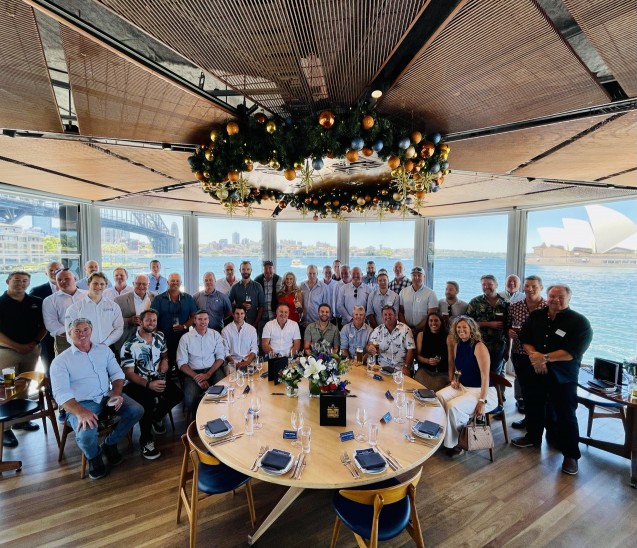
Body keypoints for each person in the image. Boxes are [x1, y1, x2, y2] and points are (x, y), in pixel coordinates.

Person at [50, 318, 144, 480]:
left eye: (85, 329)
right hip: (80, 403)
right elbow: (61, 393)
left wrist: (116, 393)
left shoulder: (104, 350)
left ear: (91, 332)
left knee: (136, 410)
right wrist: (80, 412)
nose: (82, 334)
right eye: (77, 331)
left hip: (106, 396)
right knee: (86, 435)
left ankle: (109, 443)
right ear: (69, 334)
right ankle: (94, 456)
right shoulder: (61, 361)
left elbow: (117, 374)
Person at [516, 285, 593, 476]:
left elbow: (572, 352)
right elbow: (524, 337)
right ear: (547, 297)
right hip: (535, 370)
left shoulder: (580, 322)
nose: (555, 299)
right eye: (552, 296)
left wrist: (545, 358)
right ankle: (533, 437)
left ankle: (571, 456)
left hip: (563, 376)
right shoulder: (536, 316)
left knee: (566, 414)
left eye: (560, 297)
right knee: (533, 404)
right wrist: (535, 356)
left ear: (569, 299)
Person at [121, 309, 183, 460]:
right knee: (147, 402)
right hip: (137, 383)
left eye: (154, 320)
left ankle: (156, 417)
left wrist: (165, 361)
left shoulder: (160, 336)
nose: (152, 323)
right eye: (148, 320)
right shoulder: (129, 345)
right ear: (140, 322)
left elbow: (164, 354)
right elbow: (128, 373)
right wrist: (149, 385)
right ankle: (146, 440)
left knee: (177, 394)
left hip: (157, 377)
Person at [436, 316, 497, 456]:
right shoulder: (458, 344)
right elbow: (459, 369)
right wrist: (455, 379)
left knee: (452, 406)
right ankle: (444, 436)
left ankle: (456, 443)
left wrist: (482, 401)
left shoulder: (479, 346)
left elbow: (485, 375)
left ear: (471, 329)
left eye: (464, 327)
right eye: (458, 328)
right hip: (463, 386)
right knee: (438, 397)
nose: (461, 330)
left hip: (482, 391)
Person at [0, 271, 46, 446]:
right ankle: (5, 429)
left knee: (25, 384)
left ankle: (21, 420)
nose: (21, 283)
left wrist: (34, 342)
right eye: (17, 280)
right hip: (7, 354)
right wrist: (16, 346)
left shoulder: (36, 302)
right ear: (7, 281)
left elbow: (44, 326)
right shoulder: (1, 302)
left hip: (31, 351)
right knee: (8, 387)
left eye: (25, 281)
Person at [507, 275, 547, 427]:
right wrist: (509, 332)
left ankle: (541, 423)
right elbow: (508, 326)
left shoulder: (548, 307)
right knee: (525, 389)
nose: (530, 289)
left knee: (540, 391)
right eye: (527, 286)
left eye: (534, 286)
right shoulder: (515, 306)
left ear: (541, 288)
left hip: (540, 357)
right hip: (519, 352)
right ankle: (529, 421)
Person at [177, 310, 226, 413]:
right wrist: (196, 377)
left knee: (223, 392)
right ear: (194, 320)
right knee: (190, 399)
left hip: (212, 370)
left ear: (208, 320)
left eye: (205, 319)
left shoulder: (215, 335)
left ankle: (219, 415)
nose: (203, 322)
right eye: (199, 319)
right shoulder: (185, 338)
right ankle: (198, 423)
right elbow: (181, 363)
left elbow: (220, 357)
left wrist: (208, 374)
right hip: (193, 372)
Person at [150, 272, 196, 373]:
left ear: (180, 283)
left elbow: (194, 316)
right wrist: (156, 337)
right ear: (167, 282)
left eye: (177, 281)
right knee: (166, 368)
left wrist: (184, 326)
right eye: (172, 281)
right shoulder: (159, 299)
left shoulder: (188, 298)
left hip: (183, 339)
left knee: (183, 366)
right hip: (164, 340)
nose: (175, 283)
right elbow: (152, 318)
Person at [65, 272, 123, 348]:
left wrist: (105, 344)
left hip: (108, 348)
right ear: (88, 284)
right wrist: (83, 346)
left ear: (106, 286)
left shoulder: (114, 306)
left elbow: (119, 328)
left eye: (102, 284)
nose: (98, 286)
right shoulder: (74, 308)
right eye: (95, 283)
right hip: (84, 349)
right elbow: (69, 334)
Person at [466, 275, 508, 379]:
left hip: (498, 346)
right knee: (478, 372)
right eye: (484, 284)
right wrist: (488, 324)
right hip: (479, 345)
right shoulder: (475, 302)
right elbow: (467, 323)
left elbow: (508, 327)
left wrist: (508, 349)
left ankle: (496, 395)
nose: (486, 286)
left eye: (489, 284)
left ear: (496, 285)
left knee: (495, 375)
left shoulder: (505, 303)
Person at [29, 260, 62, 375]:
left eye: (57, 269)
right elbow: (34, 317)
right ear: (46, 273)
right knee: (50, 366)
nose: (54, 272)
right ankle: (51, 391)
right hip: (47, 336)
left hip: (70, 335)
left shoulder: (74, 288)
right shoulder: (37, 291)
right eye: (51, 270)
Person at [114, 273, 156, 356]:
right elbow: (112, 321)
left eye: (144, 284)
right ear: (133, 284)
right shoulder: (119, 300)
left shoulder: (155, 298)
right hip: (126, 341)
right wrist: (129, 321)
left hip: (148, 340)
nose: (141, 286)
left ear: (148, 284)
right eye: (138, 283)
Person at [367, 305, 415, 376]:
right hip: (382, 368)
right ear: (382, 317)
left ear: (396, 316)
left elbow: (411, 350)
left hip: (400, 369)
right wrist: (369, 348)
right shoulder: (377, 330)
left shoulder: (405, 329)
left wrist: (406, 367)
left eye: (390, 314)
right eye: (385, 315)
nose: (388, 317)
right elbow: (369, 345)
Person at [414, 312, 450, 391]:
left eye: (436, 320)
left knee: (437, 391)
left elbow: (451, 360)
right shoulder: (421, 335)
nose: (433, 323)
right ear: (427, 322)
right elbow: (417, 356)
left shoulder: (448, 337)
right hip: (424, 371)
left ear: (441, 322)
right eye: (431, 320)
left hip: (442, 372)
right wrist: (428, 361)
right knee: (419, 390)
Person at [399, 266, 438, 335]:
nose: (416, 278)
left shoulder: (431, 294)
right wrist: (407, 328)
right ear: (411, 277)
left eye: (419, 275)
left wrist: (416, 328)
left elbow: (431, 315)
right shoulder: (403, 292)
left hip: (423, 331)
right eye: (414, 275)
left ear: (424, 277)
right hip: (406, 330)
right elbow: (400, 312)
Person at [228, 261, 265, 329]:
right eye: (243, 269)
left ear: (251, 270)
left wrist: (255, 323)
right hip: (238, 324)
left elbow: (261, 306)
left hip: (253, 323)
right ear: (240, 270)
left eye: (248, 269)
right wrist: (238, 307)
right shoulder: (234, 287)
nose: (246, 271)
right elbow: (228, 304)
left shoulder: (258, 286)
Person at [222, 306, 259, 370]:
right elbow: (225, 352)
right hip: (231, 363)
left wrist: (247, 362)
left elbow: (254, 349)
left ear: (245, 314)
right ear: (233, 314)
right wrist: (234, 364)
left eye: (242, 313)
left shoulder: (252, 330)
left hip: (248, 361)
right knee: (232, 378)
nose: (239, 316)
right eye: (237, 313)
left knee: (254, 377)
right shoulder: (225, 331)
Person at [254, 260, 282, 335]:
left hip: (275, 316)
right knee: (261, 339)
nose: (268, 271)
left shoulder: (279, 279)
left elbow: (282, 297)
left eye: (270, 268)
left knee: (275, 339)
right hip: (261, 316)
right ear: (262, 269)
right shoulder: (257, 280)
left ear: (273, 269)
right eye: (265, 268)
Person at [300, 264, 326, 331]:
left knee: (317, 342)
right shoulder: (302, 285)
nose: (312, 276)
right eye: (310, 273)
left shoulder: (323, 287)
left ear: (317, 273)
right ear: (307, 274)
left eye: (314, 273)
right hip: (303, 323)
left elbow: (326, 306)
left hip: (317, 324)